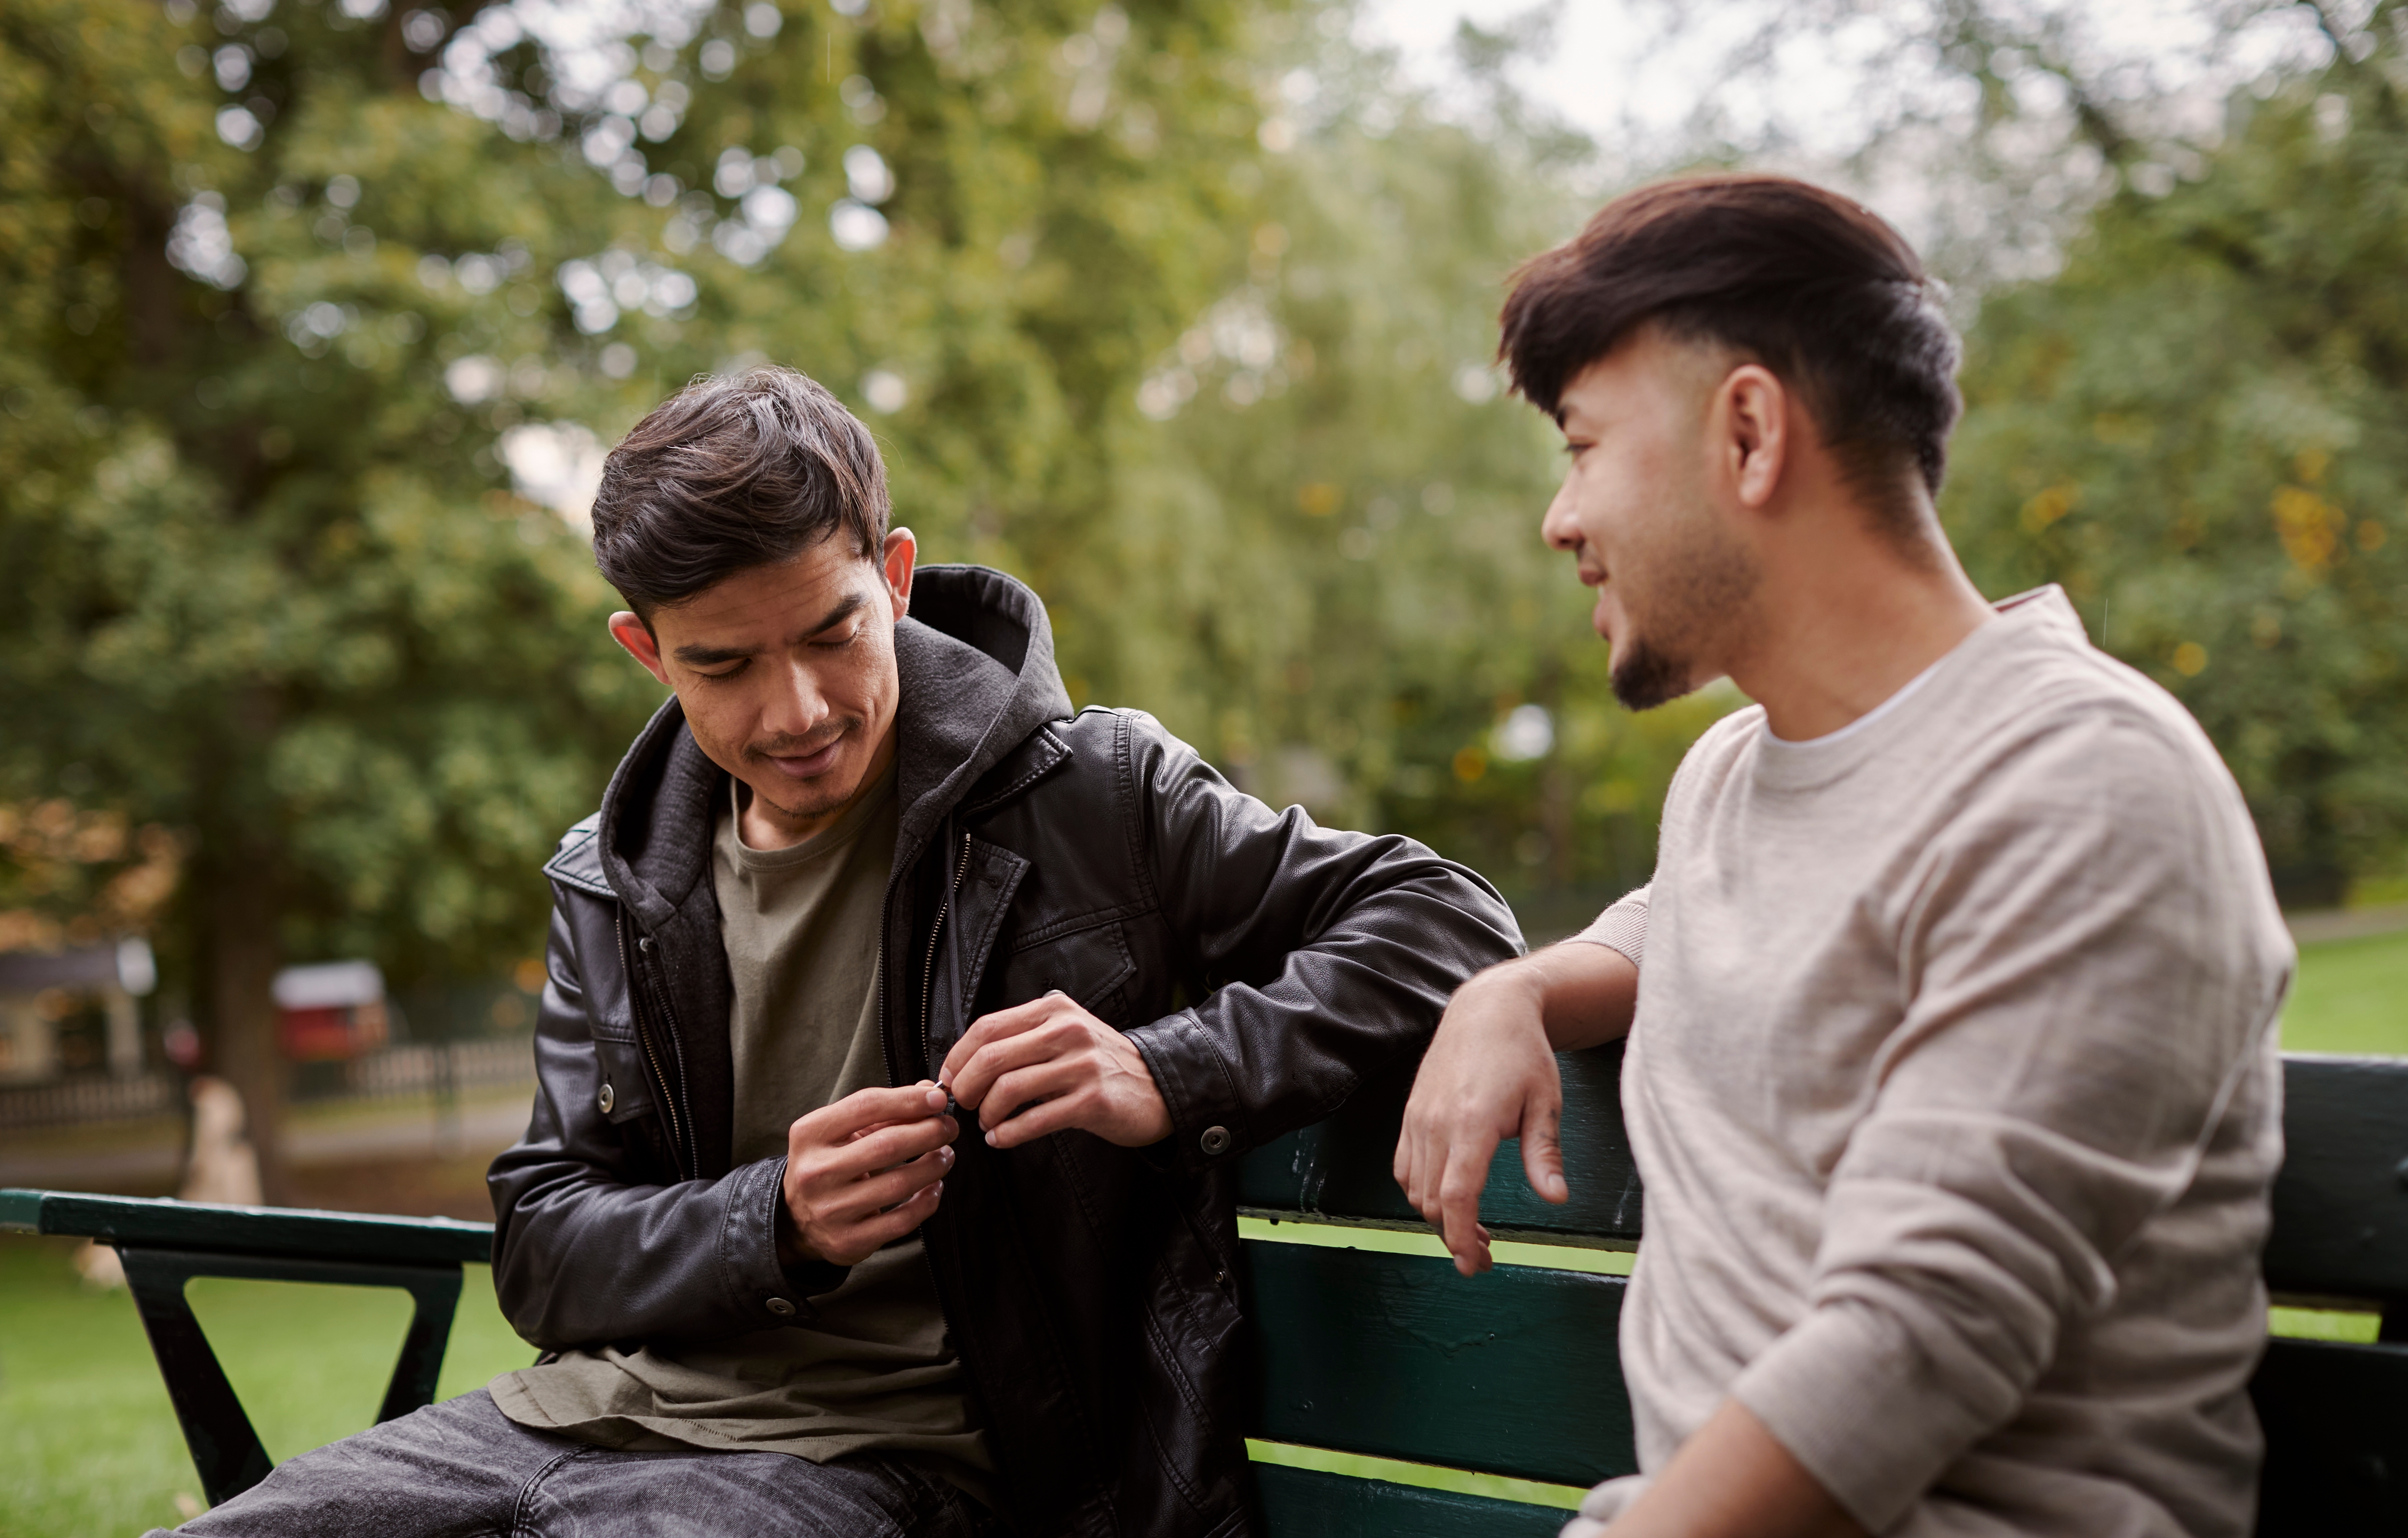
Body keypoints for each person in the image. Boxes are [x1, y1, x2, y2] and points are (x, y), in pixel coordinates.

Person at [165, 366, 1520, 1538]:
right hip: (584, 1419)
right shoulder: (615, 876)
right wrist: (778, 1221)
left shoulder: (1094, 793)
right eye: (725, 667)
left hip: (905, 1464)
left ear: (895, 575)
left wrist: (1166, 1068)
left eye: (832, 634)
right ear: (647, 653)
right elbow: (546, 1250)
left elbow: (1444, 920)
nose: (796, 709)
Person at [1395, 175, 2293, 1538]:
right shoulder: (1735, 777)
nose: (1560, 521)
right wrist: (1509, 990)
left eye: (1583, 448)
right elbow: (1691, 922)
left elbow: (1909, 1342)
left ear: (1749, 432)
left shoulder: (2086, 790)